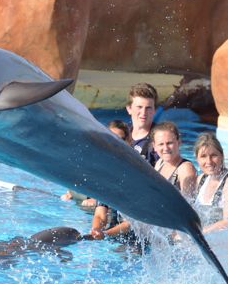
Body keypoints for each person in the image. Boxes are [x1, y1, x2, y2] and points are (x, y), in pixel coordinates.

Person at [88, 84, 159, 241]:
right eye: (139, 107)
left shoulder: (158, 141)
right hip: (115, 203)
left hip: (140, 212)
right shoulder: (119, 134)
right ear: (129, 108)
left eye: (149, 108)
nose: (143, 113)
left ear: (154, 110)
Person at [60, 120, 130, 209]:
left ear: (127, 141)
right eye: (111, 137)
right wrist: (72, 192)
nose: (115, 142)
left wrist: (97, 200)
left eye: (120, 139)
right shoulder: (96, 156)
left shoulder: (127, 164)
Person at [194, 132, 228, 233]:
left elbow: (227, 222)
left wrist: (199, 233)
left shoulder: (226, 183)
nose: (208, 161)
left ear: (221, 156)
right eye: (203, 156)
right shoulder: (200, 180)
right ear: (197, 159)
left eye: (213, 155)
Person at [151, 121, 197, 198]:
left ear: (179, 142)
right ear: (154, 146)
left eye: (169, 143)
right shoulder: (160, 163)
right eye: (161, 144)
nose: (165, 148)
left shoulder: (185, 169)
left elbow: (189, 204)